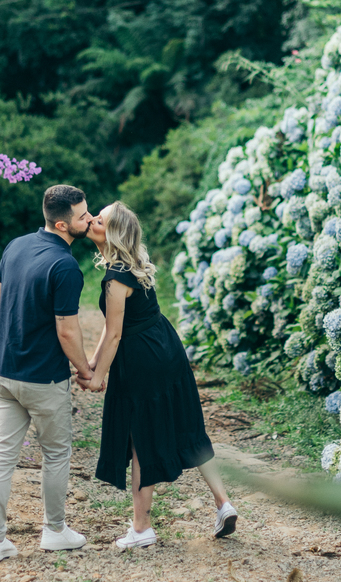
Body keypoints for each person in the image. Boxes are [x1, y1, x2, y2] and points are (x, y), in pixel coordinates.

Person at [81, 200, 238, 548]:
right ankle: (224, 503)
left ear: (115, 233)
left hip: (142, 359)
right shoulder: (135, 266)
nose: (91, 220)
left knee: (141, 439)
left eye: (100, 220)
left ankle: (141, 529)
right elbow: (110, 332)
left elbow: (115, 333)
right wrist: (92, 366)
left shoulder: (114, 278)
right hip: (168, 348)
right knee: (190, 427)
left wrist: (96, 375)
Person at [0, 184, 96, 563]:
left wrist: (6, 344)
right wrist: (85, 370)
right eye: (82, 216)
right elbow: (67, 330)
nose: (90, 219)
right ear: (63, 224)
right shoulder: (65, 267)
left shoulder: (16, 245)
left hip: (5, 372)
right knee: (56, 453)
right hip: (44, 379)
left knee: (1, 455)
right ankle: (54, 531)